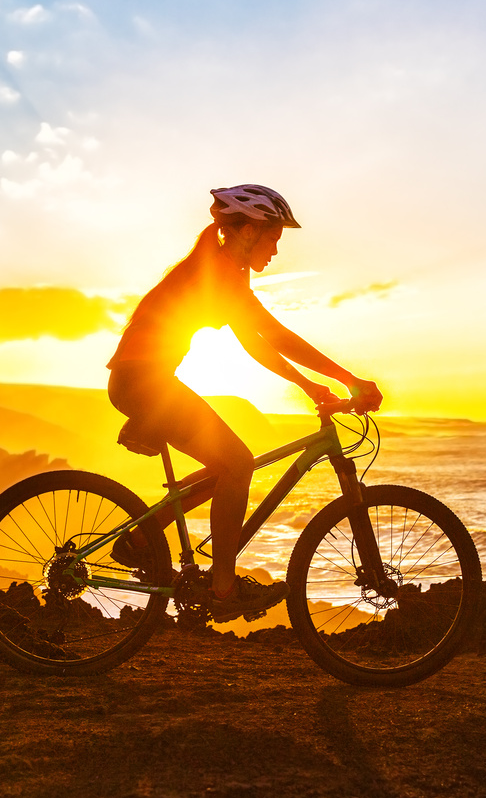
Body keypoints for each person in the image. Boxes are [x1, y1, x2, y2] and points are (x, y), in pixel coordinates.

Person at [107, 184, 381, 618]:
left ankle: (140, 539)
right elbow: (272, 335)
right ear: (249, 231)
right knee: (239, 463)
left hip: (147, 381)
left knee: (226, 465)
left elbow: (257, 344)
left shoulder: (225, 270)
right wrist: (348, 379)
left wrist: (311, 386)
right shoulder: (215, 271)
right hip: (145, 383)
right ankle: (223, 590)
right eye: (273, 238)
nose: (275, 250)